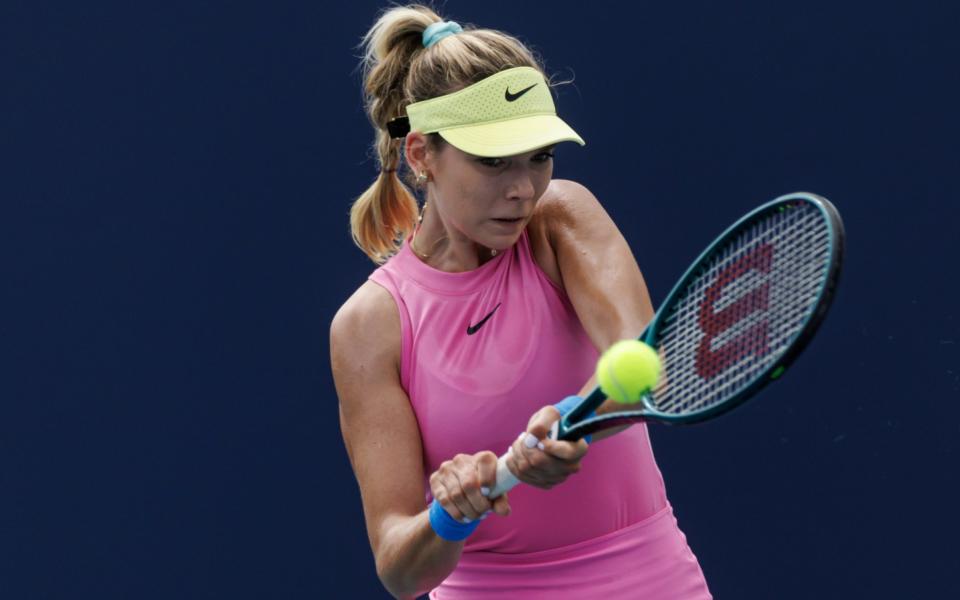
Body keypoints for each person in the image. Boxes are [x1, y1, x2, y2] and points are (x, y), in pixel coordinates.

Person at [330, 5, 713, 599]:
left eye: (539, 156)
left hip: (649, 581)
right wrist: (451, 511)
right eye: (493, 161)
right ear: (422, 155)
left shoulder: (560, 217)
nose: (523, 188)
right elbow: (400, 571)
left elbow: (645, 365)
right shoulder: (369, 325)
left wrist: (571, 417)